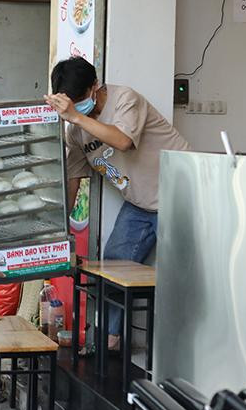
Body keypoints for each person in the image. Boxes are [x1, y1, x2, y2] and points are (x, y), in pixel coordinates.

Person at [44, 56, 190, 350]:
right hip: (140, 204)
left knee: (185, 272)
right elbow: (74, 180)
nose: (75, 108)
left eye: (79, 101)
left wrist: (75, 116)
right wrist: (59, 233)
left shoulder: (125, 99)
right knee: (111, 265)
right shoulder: (76, 130)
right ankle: (109, 339)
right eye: (68, 104)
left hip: (181, 196)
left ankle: (182, 348)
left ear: (95, 86)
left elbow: (123, 141)